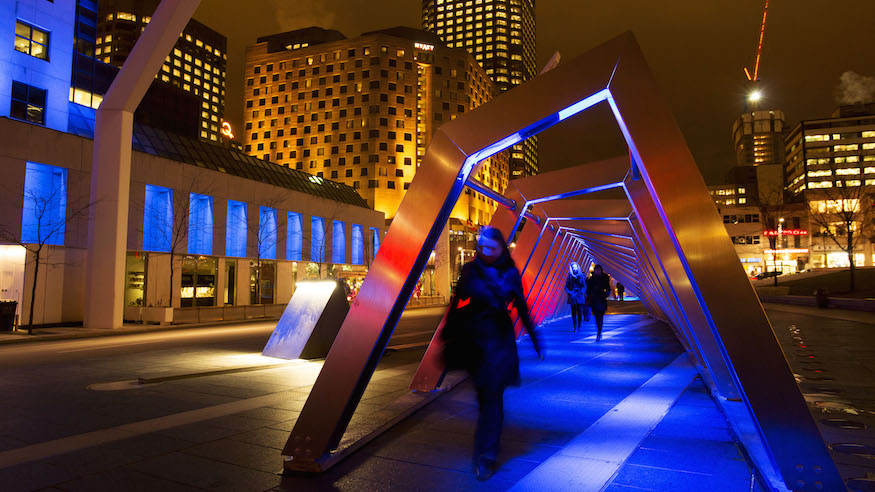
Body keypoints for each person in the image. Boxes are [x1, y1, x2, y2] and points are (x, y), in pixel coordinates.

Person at [443, 226, 542, 480]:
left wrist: (535, 339)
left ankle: (486, 456)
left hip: (498, 343)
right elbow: (457, 303)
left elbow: (521, 305)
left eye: (491, 247)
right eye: (482, 247)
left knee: (492, 399)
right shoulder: (469, 271)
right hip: (474, 343)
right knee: (484, 398)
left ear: (500, 247)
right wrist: (448, 334)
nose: (485, 252)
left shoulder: (510, 273)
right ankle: (485, 451)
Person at [585, 264, 611, 341]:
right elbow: (588, 290)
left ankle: (599, 332)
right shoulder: (591, 279)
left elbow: (608, 289)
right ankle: (599, 331)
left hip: (601, 299)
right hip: (594, 300)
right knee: (597, 317)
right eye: (596, 270)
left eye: (598, 270)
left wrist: (605, 294)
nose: (597, 271)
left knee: (600, 317)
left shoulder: (605, 278)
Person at [564, 262, 587, 332]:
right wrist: (569, 292)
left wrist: (582, 292)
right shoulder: (569, 276)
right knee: (573, 312)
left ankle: (579, 326)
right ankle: (575, 326)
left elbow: (584, 285)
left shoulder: (581, 276)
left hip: (579, 295)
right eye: (573, 267)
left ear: (578, 267)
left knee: (580, 311)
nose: (574, 268)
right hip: (573, 296)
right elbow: (566, 286)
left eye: (575, 267)